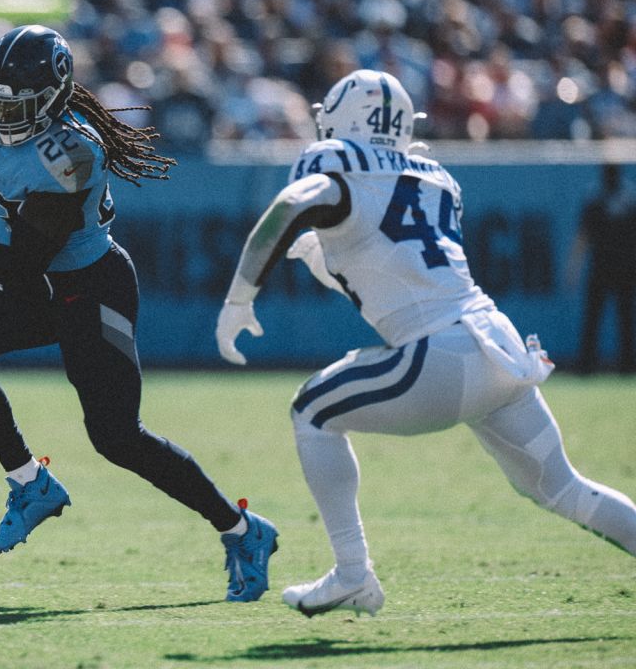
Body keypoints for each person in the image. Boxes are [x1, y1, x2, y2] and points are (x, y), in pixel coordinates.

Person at [0, 25, 279, 602]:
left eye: (20, 104)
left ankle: (242, 530)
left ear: (55, 99)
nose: (2, 113)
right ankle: (29, 482)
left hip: (89, 287)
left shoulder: (73, 156)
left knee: (117, 437)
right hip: (43, 284)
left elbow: (22, 263)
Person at [216, 69, 636, 617]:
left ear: (344, 118)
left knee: (311, 411)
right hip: (499, 349)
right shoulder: (432, 177)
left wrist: (239, 297)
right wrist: (322, 255)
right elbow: (391, 270)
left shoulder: (338, 165)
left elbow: (289, 208)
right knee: (564, 488)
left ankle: (352, 574)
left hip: (440, 357)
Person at [568, 163, 636, 374]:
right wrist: (574, 268)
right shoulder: (597, 197)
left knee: (624, 319)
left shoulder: (628, 198)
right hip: (603, 268)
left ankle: (626, 365)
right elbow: (584, 236)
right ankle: (587, 365)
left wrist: (573, 268)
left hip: (622, 268)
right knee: (594, 318)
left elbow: (582, 237)